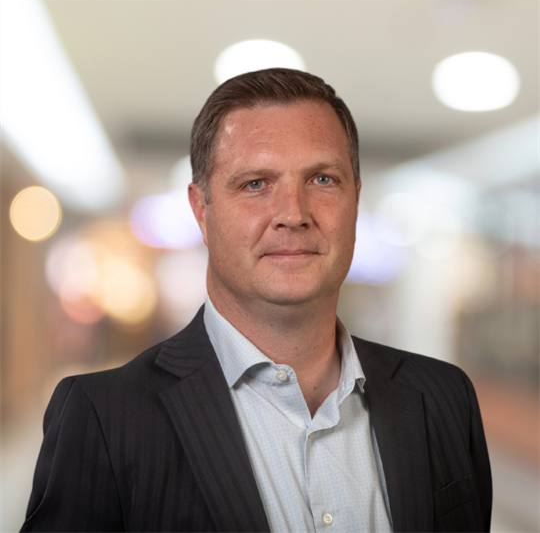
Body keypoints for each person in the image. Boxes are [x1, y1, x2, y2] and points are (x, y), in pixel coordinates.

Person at [21, 68, 492, 533]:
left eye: (323, 180)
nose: (293, 214)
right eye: (255, 184)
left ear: (355, 199)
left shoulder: (445, 398)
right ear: (201, 211)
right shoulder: (104, 418)